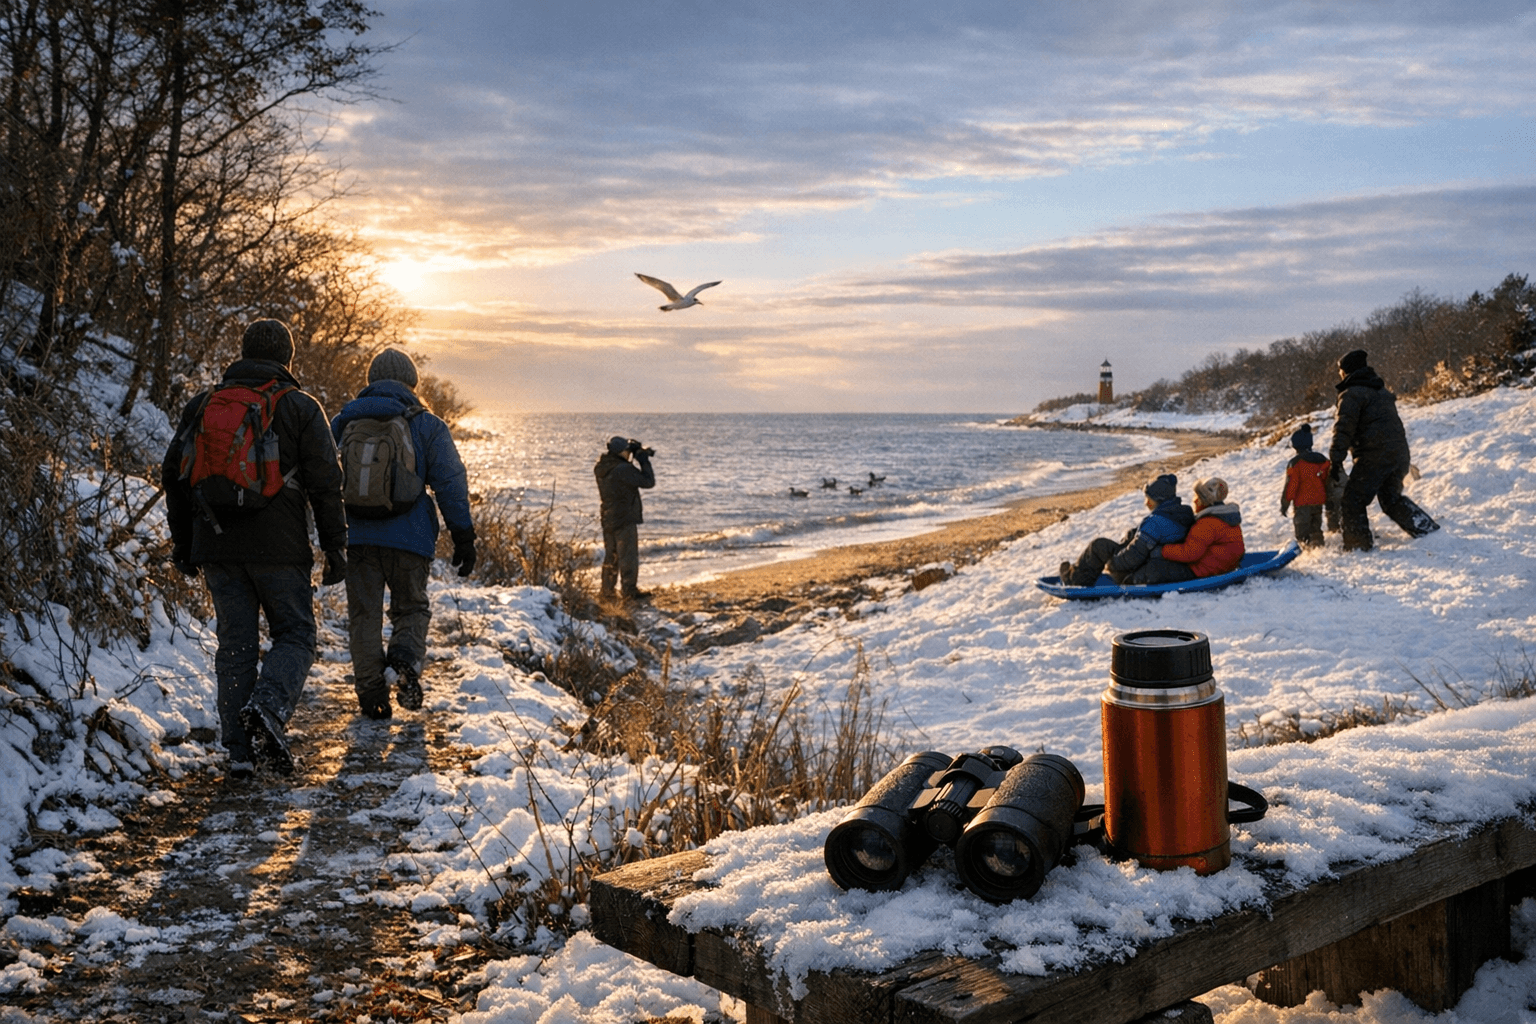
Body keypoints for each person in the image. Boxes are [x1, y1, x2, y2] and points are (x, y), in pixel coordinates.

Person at [161, 319, 348, 779]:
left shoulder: (203, 405)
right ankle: (267, 709)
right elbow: (327, 483)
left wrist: (184, 545)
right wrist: (336, 548)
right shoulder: (301, 407)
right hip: (280, 547)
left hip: (216, 544)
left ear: (242, 352)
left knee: (236, 644)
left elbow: (175, 476)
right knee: (297, 635)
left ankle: (239, 753)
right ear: (288, 359)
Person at [331, 349, 475, 720]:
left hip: (357, 538)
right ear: (412, 383)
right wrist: (463, 534)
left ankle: (372, 695)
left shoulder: (343, 421)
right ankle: (405, 661)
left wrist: (324, 533)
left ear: (370, 380)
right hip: (410, 537)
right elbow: (450, 482)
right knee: (411, 607)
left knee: (364, 616)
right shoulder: (427, 424)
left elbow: (321, 479)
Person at [1328, 349, 1440, 551]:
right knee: (1391, 499)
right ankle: (1428, 531)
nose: (1340, 375)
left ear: (1347, 371)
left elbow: (1343, 428)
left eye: (1341, 371)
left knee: (1353, 500)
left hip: (1374, 456)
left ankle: (1357, 547)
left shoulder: (1351, 394)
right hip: (1399, 455)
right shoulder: (1381, 391)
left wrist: (1336, 460)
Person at [1058, 474, 1194, 586]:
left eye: (1149, 499)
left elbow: (1135, 554)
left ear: (1158, 500)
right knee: (1123, 539)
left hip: (1139, 568)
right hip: (1156, 561)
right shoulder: (1181, 514)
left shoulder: (1155, 522)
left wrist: (1113, 564)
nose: (1146, 503)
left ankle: (1074, 580)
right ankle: (1080, 573)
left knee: (1099, 546)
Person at [1125, 477, 1245, 584]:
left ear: (1202, 501)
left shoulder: (1207, 524)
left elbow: (1190, 553)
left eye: (1195, 496)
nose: (1193, 500)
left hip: (1202, 570)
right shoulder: (1224, 516)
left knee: (1156, 568)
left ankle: (1128, 582)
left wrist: (1162, 551)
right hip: (1224, 565)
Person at [594, 435, 656, 600]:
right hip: (624, 516)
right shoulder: (622, 469)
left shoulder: (602, 466)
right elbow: (648, 481)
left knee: (611, 555)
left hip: (608, 515)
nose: (629, 454)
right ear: (620, 452)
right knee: (628, 555)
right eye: (627, 451)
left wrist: (634, 456)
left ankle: (607, 591)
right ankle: (629, 590)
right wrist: (643, 460)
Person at [1279, 423, 1330, 549]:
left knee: (1302, 527)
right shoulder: (1322, 460)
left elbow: (1291, 485)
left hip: (1302, 503)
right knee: (1316, 525)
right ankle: (1319, 546)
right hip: (1318, 501)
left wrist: (1284, 504)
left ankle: (1305, 548)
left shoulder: (1295, 463)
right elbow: (1327, 481)